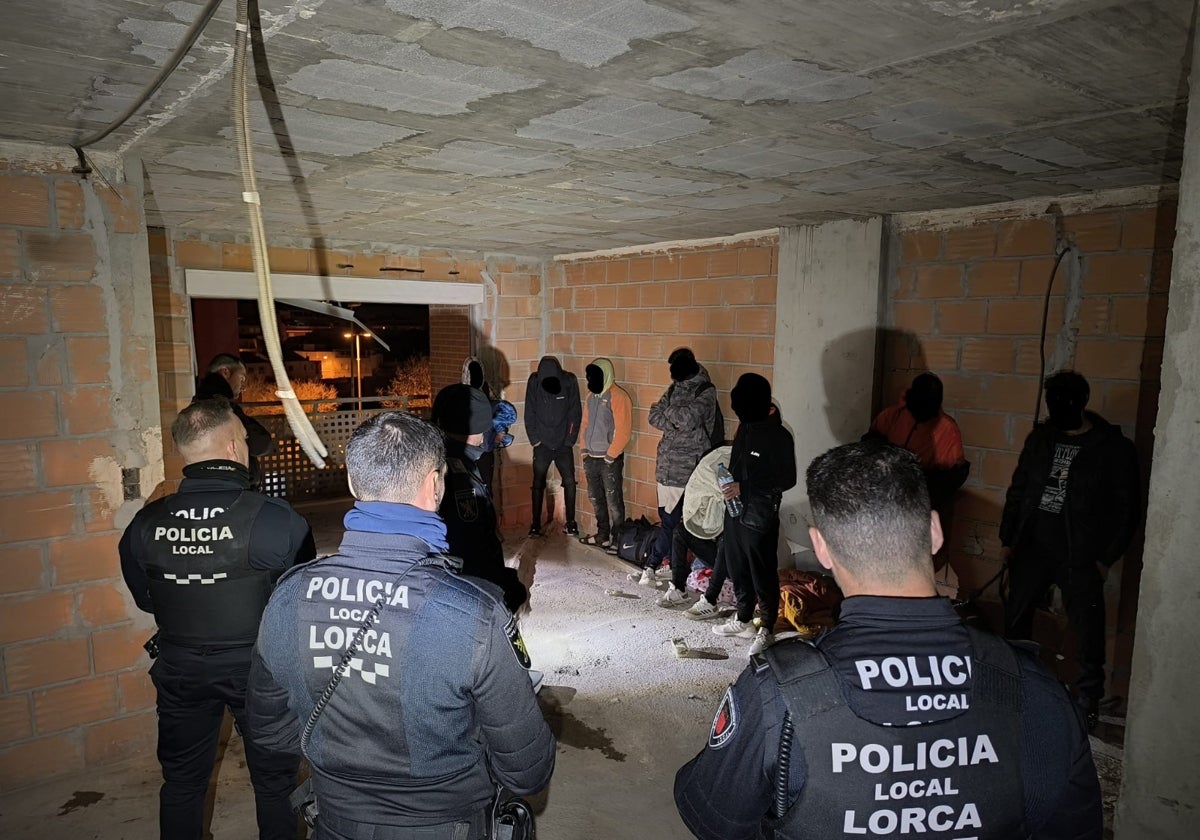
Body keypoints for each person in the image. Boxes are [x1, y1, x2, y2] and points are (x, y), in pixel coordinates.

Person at [675, 441, 1103, 840]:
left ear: (821, 549)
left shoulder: (777, 693)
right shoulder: (1036, 690)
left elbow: (717, 818)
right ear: (934, 532)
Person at [246, 411, 555, 840]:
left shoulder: (288, 597)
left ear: (355, 484)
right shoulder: (473, 613)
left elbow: (270, 735)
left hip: (335, 823)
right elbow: (528, 771)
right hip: (449, 825)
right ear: (435, 485)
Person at [118, 397, 314, 840]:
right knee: (275, 785)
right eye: (244, 439)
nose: (246, 446)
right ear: (231, 448)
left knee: (182, 781)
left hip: (180, 668)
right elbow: (299, 604)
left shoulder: (145, 523)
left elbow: (146, 600)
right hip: (259, 673)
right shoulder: (275, 520)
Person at [1000, 370, 1140, 729]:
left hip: (1080, 551)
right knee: (1016, 620)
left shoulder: (1111, 448)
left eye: (1064, 402)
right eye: (1052, 402)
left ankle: (1087, 701)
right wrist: (1008, 539)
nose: (1056, 408)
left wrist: (1105, 558)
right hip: (1033, 544)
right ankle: (1012, 690)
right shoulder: (1041, 439)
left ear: (1081, 403)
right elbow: (1019, 488)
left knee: (1088, 628)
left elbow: (1128, 509)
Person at [711, 373, 796, 656]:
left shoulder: (779, 436)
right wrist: (727, 482)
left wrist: (744, 487)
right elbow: (737, 464)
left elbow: (787, 478)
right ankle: (744, 619)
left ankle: (767, 628)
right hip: (734, 509)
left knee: (762, 571)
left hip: (760, 513)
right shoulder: (745, 428)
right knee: (737, 565)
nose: (740, 416)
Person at [431, 382, 528, 612]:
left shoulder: (441, 457)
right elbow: (471, 548)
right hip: (469, 602)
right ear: (477, 430)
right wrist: (503, 589)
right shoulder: (459, 477)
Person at [866, 372, 969, 567]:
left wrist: (917, 491)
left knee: (914, 562)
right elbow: (869, 447)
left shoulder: (947, 429)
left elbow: (950, 478)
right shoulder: (893, 415)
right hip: (885, 501)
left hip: (918, 506)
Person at [644, 347, 719, 582]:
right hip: (665, 465)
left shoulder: (705, 391)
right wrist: (675, 420)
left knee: (674, 523)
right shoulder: (674, 387)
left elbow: (689, 418)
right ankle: (667, 563)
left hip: (687, 468)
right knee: (666, 516)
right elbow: (652, 415)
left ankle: (654, 564)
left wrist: (671, 415)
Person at [578, 357, 633, 553]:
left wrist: (611, 456)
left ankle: (617, 540)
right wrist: (584, 450)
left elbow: (624, 430)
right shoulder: (590, 397)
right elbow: (584, 424)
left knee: (614, 501)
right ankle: (602, 536)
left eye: (593, 376)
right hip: (590, 457)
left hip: (608, 459)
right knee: (596, 498)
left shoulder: (618, 397)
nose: (590, 381)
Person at [525, 355, 582, 537]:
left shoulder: (569, 382)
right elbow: (529, 412)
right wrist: (535, 440)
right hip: (542, 443)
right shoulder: (534, 383)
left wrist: (569, 440)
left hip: (563, 444)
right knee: (537, 483)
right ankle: (535, 525)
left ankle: (571, 523)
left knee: (570, 482)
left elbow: (575, 412)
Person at [196, 353, 272, 486]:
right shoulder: (223, 407)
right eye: (241, 379)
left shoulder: (200, 402)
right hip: (234, 486)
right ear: (226, 372)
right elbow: (260, 444)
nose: (243, 386)